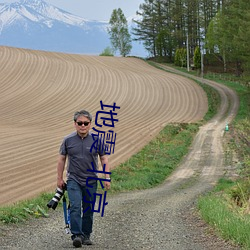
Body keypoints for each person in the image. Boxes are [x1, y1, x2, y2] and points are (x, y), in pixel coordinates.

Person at [57, 110, 111, 248]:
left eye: (85, 123)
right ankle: (76, 235)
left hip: (91, 180)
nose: (83, 126)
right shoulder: (68, 140)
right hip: (73, 179)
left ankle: (86, 235)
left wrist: (107, 177)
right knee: (75, 206)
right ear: (75, 124)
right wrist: (59, 179)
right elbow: (61, 159)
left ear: (90, 124)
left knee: (88, 208)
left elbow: (104, 158)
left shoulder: (97, 140)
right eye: (79, 123)